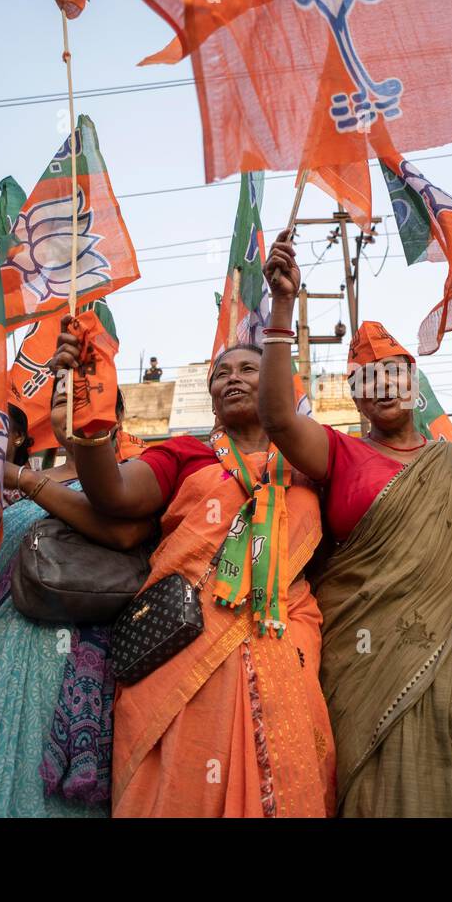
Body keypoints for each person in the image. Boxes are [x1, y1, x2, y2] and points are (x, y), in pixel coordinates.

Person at [257, 233, 452, 817]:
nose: (383, 386)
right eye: (367, 380)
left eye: (394, 374)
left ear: (413, 382)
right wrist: (282, 308)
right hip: (366, 660)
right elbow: (278, 417)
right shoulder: (338, 454)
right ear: (354, 398)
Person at [53, 326, 336, 817]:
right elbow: (113, 495)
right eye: (220, 374)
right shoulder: (186, 454)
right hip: (182, 640)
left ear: (280, 385)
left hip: (287, 637)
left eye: (249, 369)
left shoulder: (314, 458)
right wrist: (91, 407)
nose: (233, 379)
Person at [0, 399, 154, 817]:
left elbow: (123, 534)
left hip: (86, 658)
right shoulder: (9, 485)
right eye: (62, 401)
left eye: (83, 398)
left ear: (118, 414)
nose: (72, 410)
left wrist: (21, 478)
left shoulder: (141, 475)